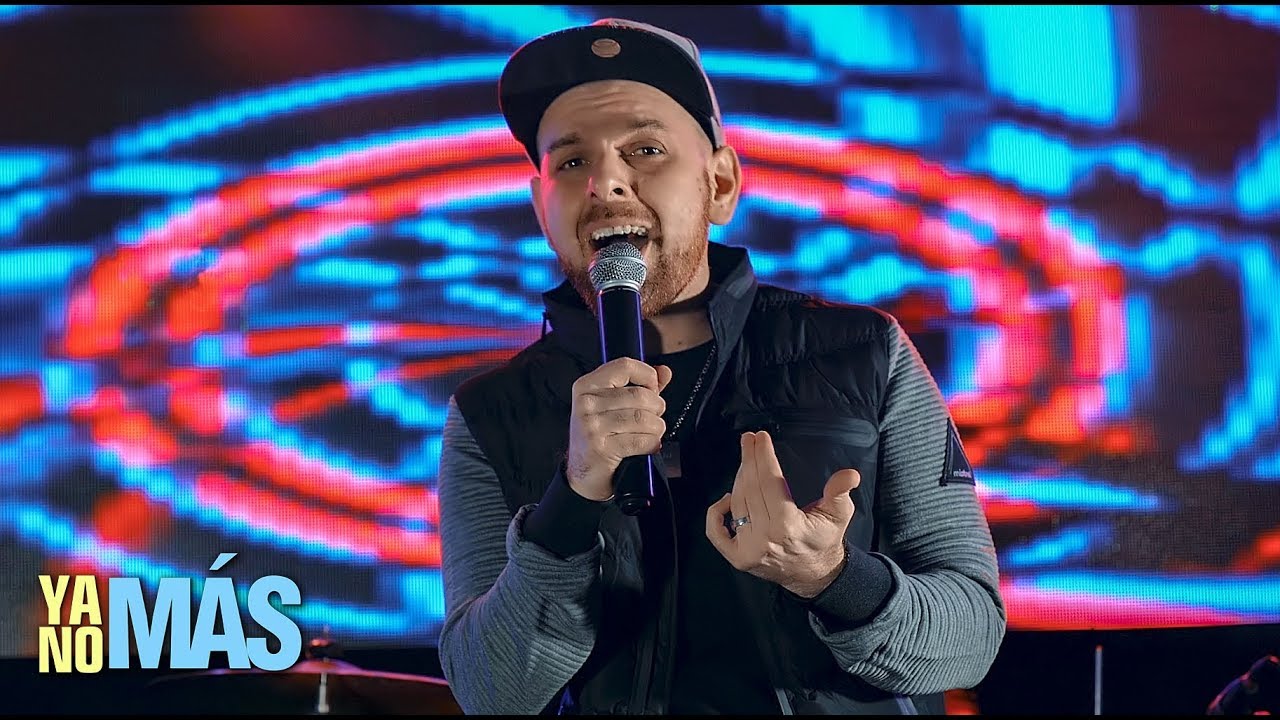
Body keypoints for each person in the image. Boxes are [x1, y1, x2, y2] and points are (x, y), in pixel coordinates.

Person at [435, 17, 1006, 715]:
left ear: (722, 183)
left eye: (646, 149)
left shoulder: (865, 352)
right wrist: (572, 500)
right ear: (541, 205)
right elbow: (489, 692)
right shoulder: (489, 413)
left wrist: (831, 577)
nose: (606, 182)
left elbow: (972, 636)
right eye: (572, 162)